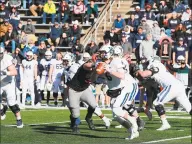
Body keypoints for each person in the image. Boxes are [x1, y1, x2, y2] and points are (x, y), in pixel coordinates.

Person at [136, 56, 192, 131]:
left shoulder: (155, 65)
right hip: (179, 86)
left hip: (172, 86)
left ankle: (165, 124)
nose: (146, 65)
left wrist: (137, 70)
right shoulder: (160, 66)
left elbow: (143, 74)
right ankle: (165, 123)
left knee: (157, 102)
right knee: (189, 108)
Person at [101, 45, 144, 139]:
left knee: (118, 108)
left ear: (109, 52)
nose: (102, 54)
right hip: (117, 88)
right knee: (116, 115)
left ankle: (134, 121)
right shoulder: (110, 62)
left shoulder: (116, 61)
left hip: (126, 87)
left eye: (104, 52)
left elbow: (122, 76)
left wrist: (109, 70)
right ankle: (132, 130)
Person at [66, 53, 99, 134]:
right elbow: (87, 65)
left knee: (94, 105)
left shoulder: (96, 71)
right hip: (74, 90)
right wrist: (93, 64)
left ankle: (88, 118)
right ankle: (74, 125)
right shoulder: (84, 67)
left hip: (84, 89)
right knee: (75, 113)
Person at [0, 45, 23, 128]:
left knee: (12, 103)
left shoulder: (7, 59)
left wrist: (5, 73)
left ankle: (19, 119)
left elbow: (14, 72)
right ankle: (2, 108)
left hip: (9, 83)